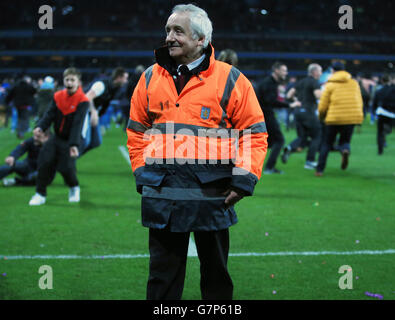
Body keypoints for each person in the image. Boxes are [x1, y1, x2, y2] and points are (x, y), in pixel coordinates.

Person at [126, 4, 268, 300]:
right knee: (161, 281)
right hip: (163, 194)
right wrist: (141, 172)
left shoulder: (231, 79)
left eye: (178, 31)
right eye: (167, 30)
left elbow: (253, 135)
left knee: (216, 280)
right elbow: (136, 131)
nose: (170, 37)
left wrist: (243, 181)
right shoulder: (150, 77)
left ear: (201, 39)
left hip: (213, 196)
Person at [28, 67, 89, 205]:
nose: (69, 82)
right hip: (56, 138)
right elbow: (49, 115)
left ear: (78, 82)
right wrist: (40, 127)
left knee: (66, 168)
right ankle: (40, 194)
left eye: (72, 80)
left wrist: (74, 145)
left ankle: (74, 187)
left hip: (71, 140)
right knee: (44, 161)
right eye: (67, 79)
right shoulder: (58, 96)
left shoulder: (83, 100)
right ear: (63, 80)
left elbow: (77, 125)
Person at [315, 62, 363, 176]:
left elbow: (323, 104)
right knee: (345, 141)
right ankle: (345, 150)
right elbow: (359, 100)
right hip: (351, 118)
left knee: (326, 144)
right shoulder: (354, 83)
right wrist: (359, 117)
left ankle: (319, 170)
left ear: (332, 71)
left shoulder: (330, 84)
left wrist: (321, 117)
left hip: (333, 118)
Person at [256, 62, 301, 174]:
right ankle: (269, 168)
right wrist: (289, 105)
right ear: (276, 71)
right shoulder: (269, 84)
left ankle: (258, 166)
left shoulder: (270, 82)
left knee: (269, 142)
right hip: (265, 115)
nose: (286, 73)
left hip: (262, 115)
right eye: (284, 70)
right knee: (279, 140)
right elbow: (270, 101)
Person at [282, 63, 322, 169]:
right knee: (317, 136)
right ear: (314, 72)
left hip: (298, 112)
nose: (321, 73)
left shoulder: (301, 82)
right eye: (320, 71)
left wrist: (297, 101)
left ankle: (290, 147)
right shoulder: (314, 82)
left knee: (302, 137)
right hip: (308, 112)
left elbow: (288, 95)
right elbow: (318, 95)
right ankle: (310, 161)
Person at [80, 67, 129, 155]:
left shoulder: (114, 89)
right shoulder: (101, 85)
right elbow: (87, 97)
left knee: (96, 141)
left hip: (90, 113)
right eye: (125, 78)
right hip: (83, 111)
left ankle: (70, 160)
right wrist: (94, 112)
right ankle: (68, 162)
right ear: (118, 77)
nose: (126, 81)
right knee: (85, 141)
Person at [372, 73, 395, 155]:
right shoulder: (393, 90)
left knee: (380, 133)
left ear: (382, 81)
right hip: (392, 114)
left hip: (382, 113)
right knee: (387, 129)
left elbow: (374, 104)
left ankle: (380, 151)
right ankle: (387, 129)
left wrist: (374, 113)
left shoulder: (379, 91)